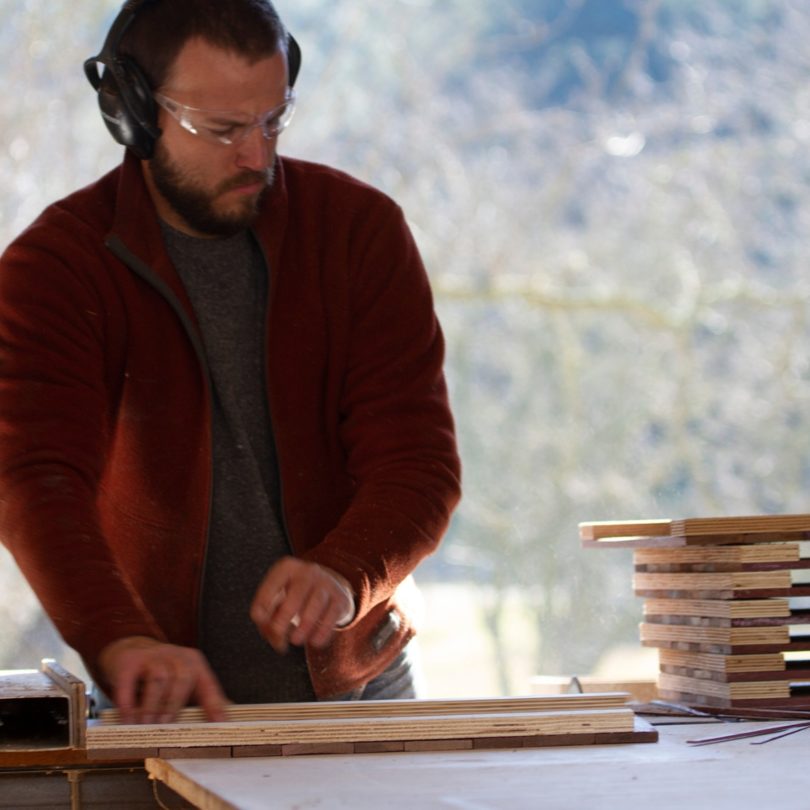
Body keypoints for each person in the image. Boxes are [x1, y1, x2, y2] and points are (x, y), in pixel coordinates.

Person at [0, 0, 461, 724]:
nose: (257, 155)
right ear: (133, 112)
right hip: (164, 704)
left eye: (273, 120)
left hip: (362, 688)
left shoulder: (360, 232)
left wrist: (344, 572)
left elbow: (418, 465)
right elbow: (33, 480)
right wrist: (119, 640)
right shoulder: (53, 268)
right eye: (221, 130)